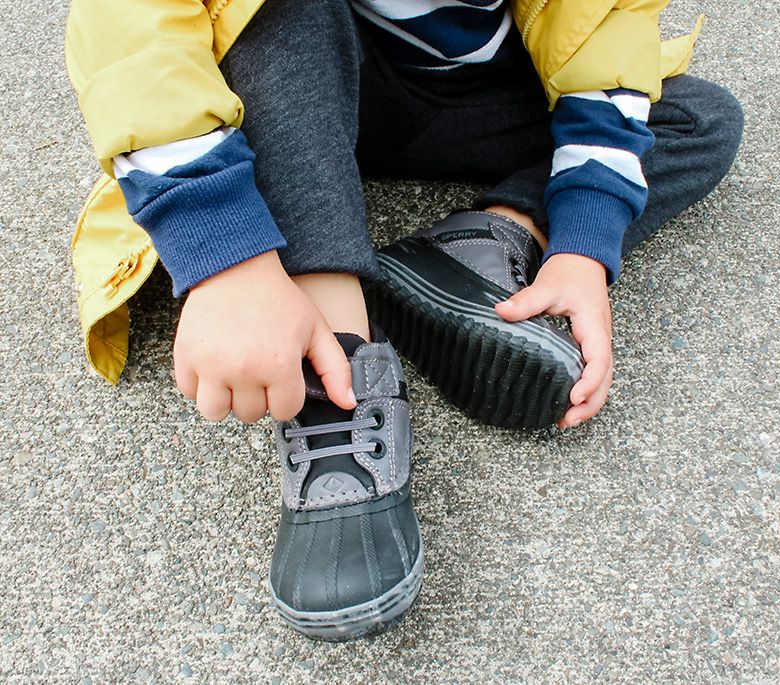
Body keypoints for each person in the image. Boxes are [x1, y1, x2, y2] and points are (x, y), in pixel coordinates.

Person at [65, 0, 743, 641]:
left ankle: (483, 240)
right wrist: (223, 255)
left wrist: (582, 246)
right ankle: (333, 363)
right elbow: (132, 33)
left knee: (699, 116)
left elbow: (603, 24)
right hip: (304, 93)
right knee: (276, 12)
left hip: (481, 90)